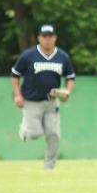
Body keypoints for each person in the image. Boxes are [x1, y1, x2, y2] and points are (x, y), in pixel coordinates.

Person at [11, 23, 75, 170]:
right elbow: (15, 75)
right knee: (34, 134)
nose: (47, 40)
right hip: (31, 102)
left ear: (55, 38)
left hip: (52, 102)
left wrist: (67, 90)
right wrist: (17, 95)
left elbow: (70, 77)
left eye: (50, 36)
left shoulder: (62, 56)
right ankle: (25, 127)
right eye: (44, 36)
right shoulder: (28, 55)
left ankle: (49, 167)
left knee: (53, 135)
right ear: (39, 38)